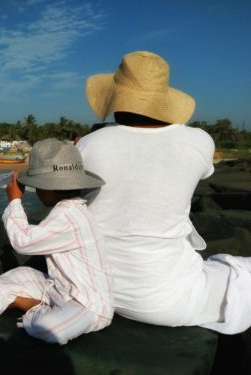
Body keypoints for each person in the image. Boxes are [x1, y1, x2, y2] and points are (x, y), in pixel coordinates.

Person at [76, 50, 251, 334]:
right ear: (164, 102)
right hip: (164, 302)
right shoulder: (198, 142)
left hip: (92, 289)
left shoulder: (87, 144)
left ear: (115, 99)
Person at [0, 138, 114, 345]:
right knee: (17, 276)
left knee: (49, 331)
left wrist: (15, 201)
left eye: (38, 187)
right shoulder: (73, 208)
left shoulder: (69, 217)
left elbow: (23, 242)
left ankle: (29, 305)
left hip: (88, 305)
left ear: (48, 189)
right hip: (61, 289)